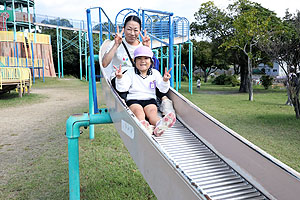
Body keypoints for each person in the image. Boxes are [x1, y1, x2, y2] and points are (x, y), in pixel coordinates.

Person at [101, 15, 175, 115]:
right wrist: (116, 45)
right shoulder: (116, 43)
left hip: (140, 78)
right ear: (124, 29)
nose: (132, 33)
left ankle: (165, 101)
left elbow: (151, 67)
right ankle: (125, 106)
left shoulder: (142, 45)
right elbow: (104, 63)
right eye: (129, 29)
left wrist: (147, 48)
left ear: (140, 31)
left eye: (136, 30)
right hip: (122, 77)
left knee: (154, 80)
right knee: (122, 86)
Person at [114, 46, 176, 136]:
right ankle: (144, 125)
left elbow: (162, 89)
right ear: (134, 61)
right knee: (139, 112)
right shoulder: (130, 72)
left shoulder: (155, 73)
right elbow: (123, 88)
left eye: (146, 58)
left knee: (152, 114)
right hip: (134, 100)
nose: (142, 61)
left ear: (151, 61)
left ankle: (160, 125)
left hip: (150, 99)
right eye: (139, 58)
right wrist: (120, 78)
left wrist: (165, 81)